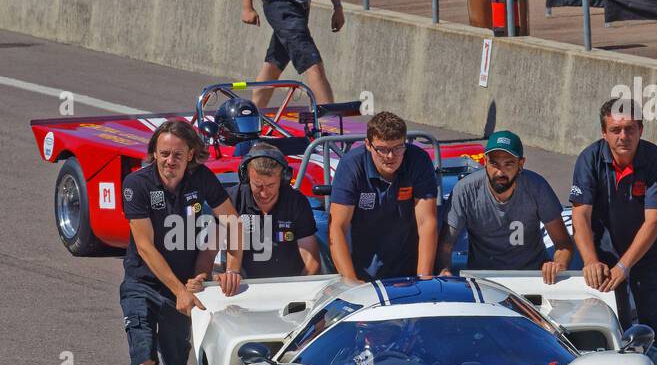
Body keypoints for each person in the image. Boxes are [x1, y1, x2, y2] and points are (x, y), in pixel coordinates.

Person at [120, 120, 244, 365]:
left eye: (177, 154)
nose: (169, 161)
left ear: (191, 154)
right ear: (153, 154)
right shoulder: (137, 185)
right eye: (163, 154)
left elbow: (231, 221)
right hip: (143, 283)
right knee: (141, 361)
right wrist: (178, 290)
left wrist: (230, 266)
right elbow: (144, 245)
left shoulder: (201, 178)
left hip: (187, 286)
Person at [570, 97, 657, 365]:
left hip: (645, 259)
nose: (623, 136)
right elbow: (580, 216)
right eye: (615, 130)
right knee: (599, 338)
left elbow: (654, 221)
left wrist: (625, 266)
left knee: (654, 338)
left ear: (641, 131)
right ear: (604, 133)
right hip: (601, 258)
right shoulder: (588, 160)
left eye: (630, 129)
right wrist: (589, 260)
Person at [436, 130, 574, 282]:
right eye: (494, 163)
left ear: (521, 164)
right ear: (485, 162)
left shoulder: (537, 187)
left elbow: (563, 243)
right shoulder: (465, 190)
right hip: (483, 280)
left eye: (508, 164)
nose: (500, 172)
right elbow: (446, 244)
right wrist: (444, 270)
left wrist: (558, 265)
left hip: (532, 277)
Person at [329, 111, 439, 282]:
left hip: (410, 267)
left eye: (398, 148)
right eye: (382, 149)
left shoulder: (419, 161)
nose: (390, 156)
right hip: (363, 270)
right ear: (368, 144)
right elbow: (337, 226)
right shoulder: (351, 165)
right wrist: (350, 281)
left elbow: (426, 222)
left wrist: (423, 277)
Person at [229, 142, 321, 279]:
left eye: (271, 185)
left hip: (291, 285)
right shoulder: (232, 200)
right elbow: (210, 249)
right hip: (243, 288)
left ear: (283, 179)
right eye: (257, 185)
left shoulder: (296, 202)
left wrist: (298, 291)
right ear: (246, 176)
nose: (264, 193)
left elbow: (312, 262)